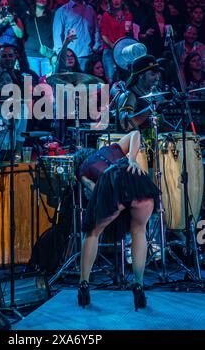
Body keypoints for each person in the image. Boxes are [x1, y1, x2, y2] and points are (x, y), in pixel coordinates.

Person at [76, 130, 159, 310]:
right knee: (139, 230)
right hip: (136, 178)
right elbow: (136, 132)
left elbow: (95, 191)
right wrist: (132, 159)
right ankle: (138, 285)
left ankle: (83, 284)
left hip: (112, 180)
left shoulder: (83, 168)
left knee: (92, 232)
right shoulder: (112, 148)